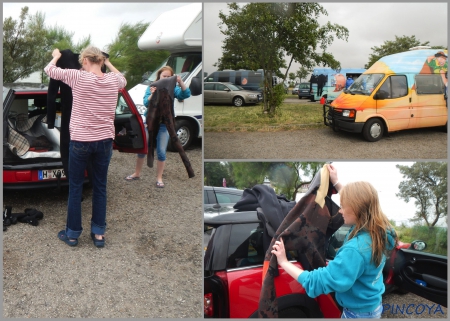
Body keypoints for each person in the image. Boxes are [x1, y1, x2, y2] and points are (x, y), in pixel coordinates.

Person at [271, 164, 397, 319]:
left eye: (343, 206)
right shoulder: (382, 230)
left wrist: (284, 262)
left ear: (357, 209)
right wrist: (336, 182)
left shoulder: (355, 250)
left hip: (356, 315)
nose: (340, 210)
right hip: (373, 307)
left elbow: (315, 282)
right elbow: (359, 203)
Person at [44, 46, 126, 248]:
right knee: (100, 187)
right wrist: (106, 63)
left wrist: (56, 57)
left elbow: (50, 70)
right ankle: (98, 234)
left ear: (86, 61)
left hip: (80, 140)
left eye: (83, 62)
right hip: (105, 142)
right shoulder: (113, 80)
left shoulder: (77, 77)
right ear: (101, 60)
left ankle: (72, 234)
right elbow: (122, 79)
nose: (82, 65)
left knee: (75, 187)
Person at [125, 66, 191, 188]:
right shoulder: (151, 87)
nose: (166, 78)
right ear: (159, 76)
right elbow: (146, 103)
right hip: (149, 122)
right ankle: (137, 173)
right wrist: (152, 94)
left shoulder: (173, 89)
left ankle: (159, 178)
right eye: (164, 76)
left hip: (164, 125)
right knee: (142, 148)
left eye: (168, 76)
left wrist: (180, 81)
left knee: (161, 152)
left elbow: (185, 94)